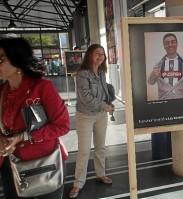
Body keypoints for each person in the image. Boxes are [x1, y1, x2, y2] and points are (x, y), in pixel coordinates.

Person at [0, 37, 70, 199]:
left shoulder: (42, 88)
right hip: (12, 167)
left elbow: (63, 125)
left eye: (1, 59)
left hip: (45, 165)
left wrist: (24, 136)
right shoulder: (2, 92)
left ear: (17, 61)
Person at [69, 44, 115, 198]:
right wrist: (104, 105)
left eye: (102, 54)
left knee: (100, 147)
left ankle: (100, 174)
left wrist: (109, 103)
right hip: (85, 116)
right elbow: (86, 98)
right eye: (97, 53)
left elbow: (103, 92)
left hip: (101, 115)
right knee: (84, 150)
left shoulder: (101, 72)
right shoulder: (82, 74)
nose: (100, 56)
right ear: (90, 55)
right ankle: (78, 183)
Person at [148, 33, 183, 100]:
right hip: (164, 104)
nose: (170, 45)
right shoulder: (158, 64)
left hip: (182, 103)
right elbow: (150, 82)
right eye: (167, 43)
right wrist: (153, 75)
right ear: (164, 46)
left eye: (173, 42)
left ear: (177, 44)